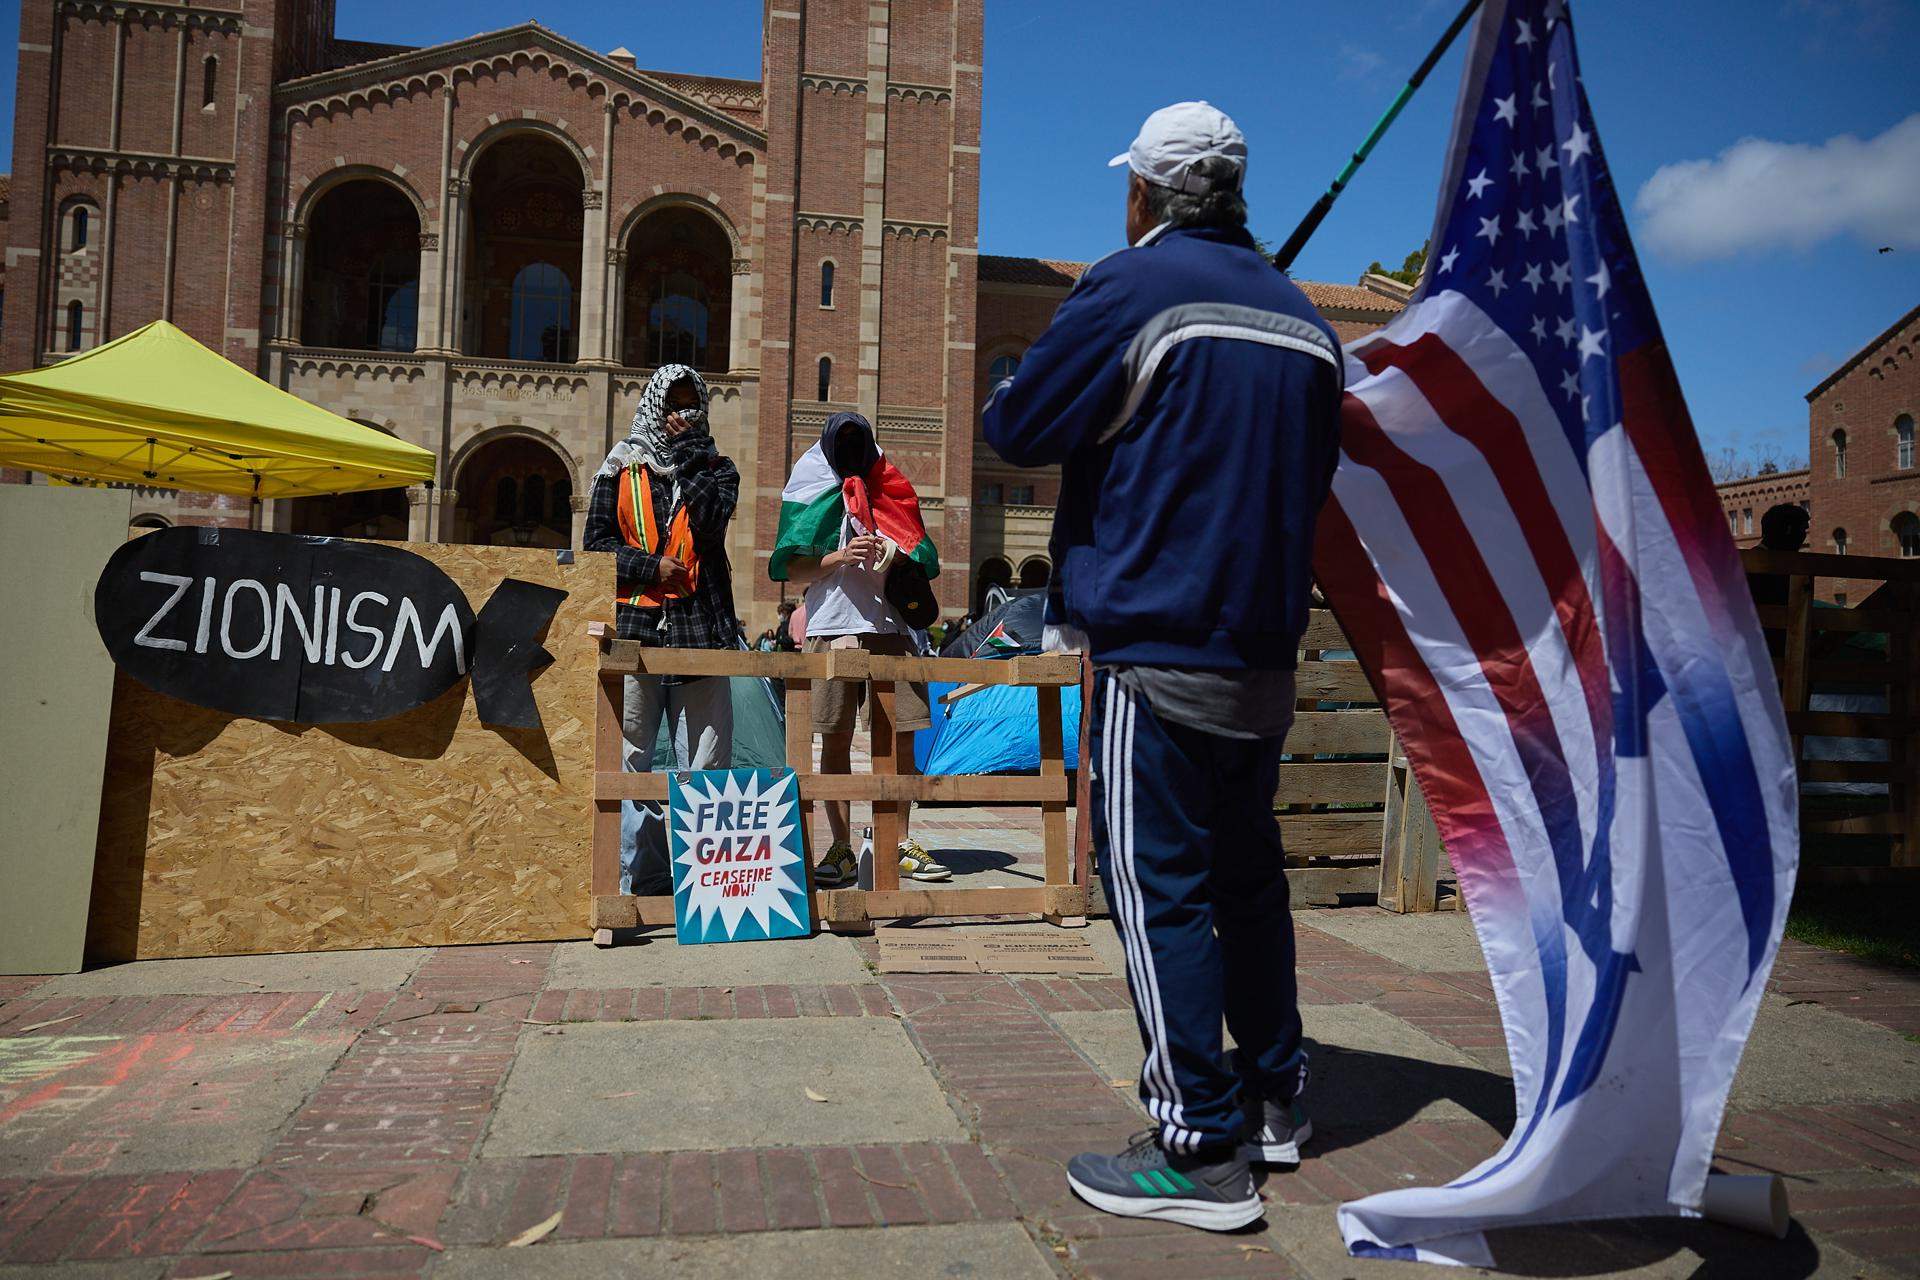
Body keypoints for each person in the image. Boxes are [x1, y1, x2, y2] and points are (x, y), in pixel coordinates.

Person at [983, 102, 1343, 1232]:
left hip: (1156, 641)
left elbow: (1018, 426)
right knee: (1249, 878)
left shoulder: (1131, 287)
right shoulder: (1305, 320)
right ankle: (1276, 1095)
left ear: (1143, 194)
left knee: (1160, 891)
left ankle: (1197, 1142)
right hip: (1263, 655)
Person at [771, 410, 951, 886]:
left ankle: (899, 840)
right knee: (833, 735)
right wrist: (837, 556)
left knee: (899, 737)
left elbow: (923, 557)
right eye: (844, 441)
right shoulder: (809, 485)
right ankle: (842, 845)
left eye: (860, 441)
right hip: (830, 628)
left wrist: (893, 553)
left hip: (890, 628)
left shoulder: (888, 483)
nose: (853, 450)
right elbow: (792, 569)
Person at [583, 363, 742, 896]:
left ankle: (703, 882)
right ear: (655, 403)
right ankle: (640, 878)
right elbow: (596, 547)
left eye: (691, 404)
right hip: (638, 630)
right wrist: (651, 568)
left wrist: (692, 455)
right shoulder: (619, 469)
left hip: (702, 630)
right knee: (633, 755)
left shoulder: (719, 469)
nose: (682, 414)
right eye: (673, 404)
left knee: (707, 755)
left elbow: (712, 524)